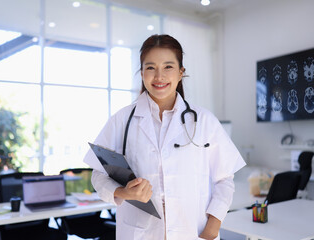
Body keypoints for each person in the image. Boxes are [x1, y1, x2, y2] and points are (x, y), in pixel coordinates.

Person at [84, 34, 246, 240]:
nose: (159, 76)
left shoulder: (205, 120)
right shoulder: (121, 120)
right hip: (140, 234)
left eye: (168, 67)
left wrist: (212, 229)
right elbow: (98, 175)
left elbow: (224, 179)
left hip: (193, 233)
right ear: (142, 73)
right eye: (150, 68)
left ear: (181, 72)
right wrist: (124, 193)